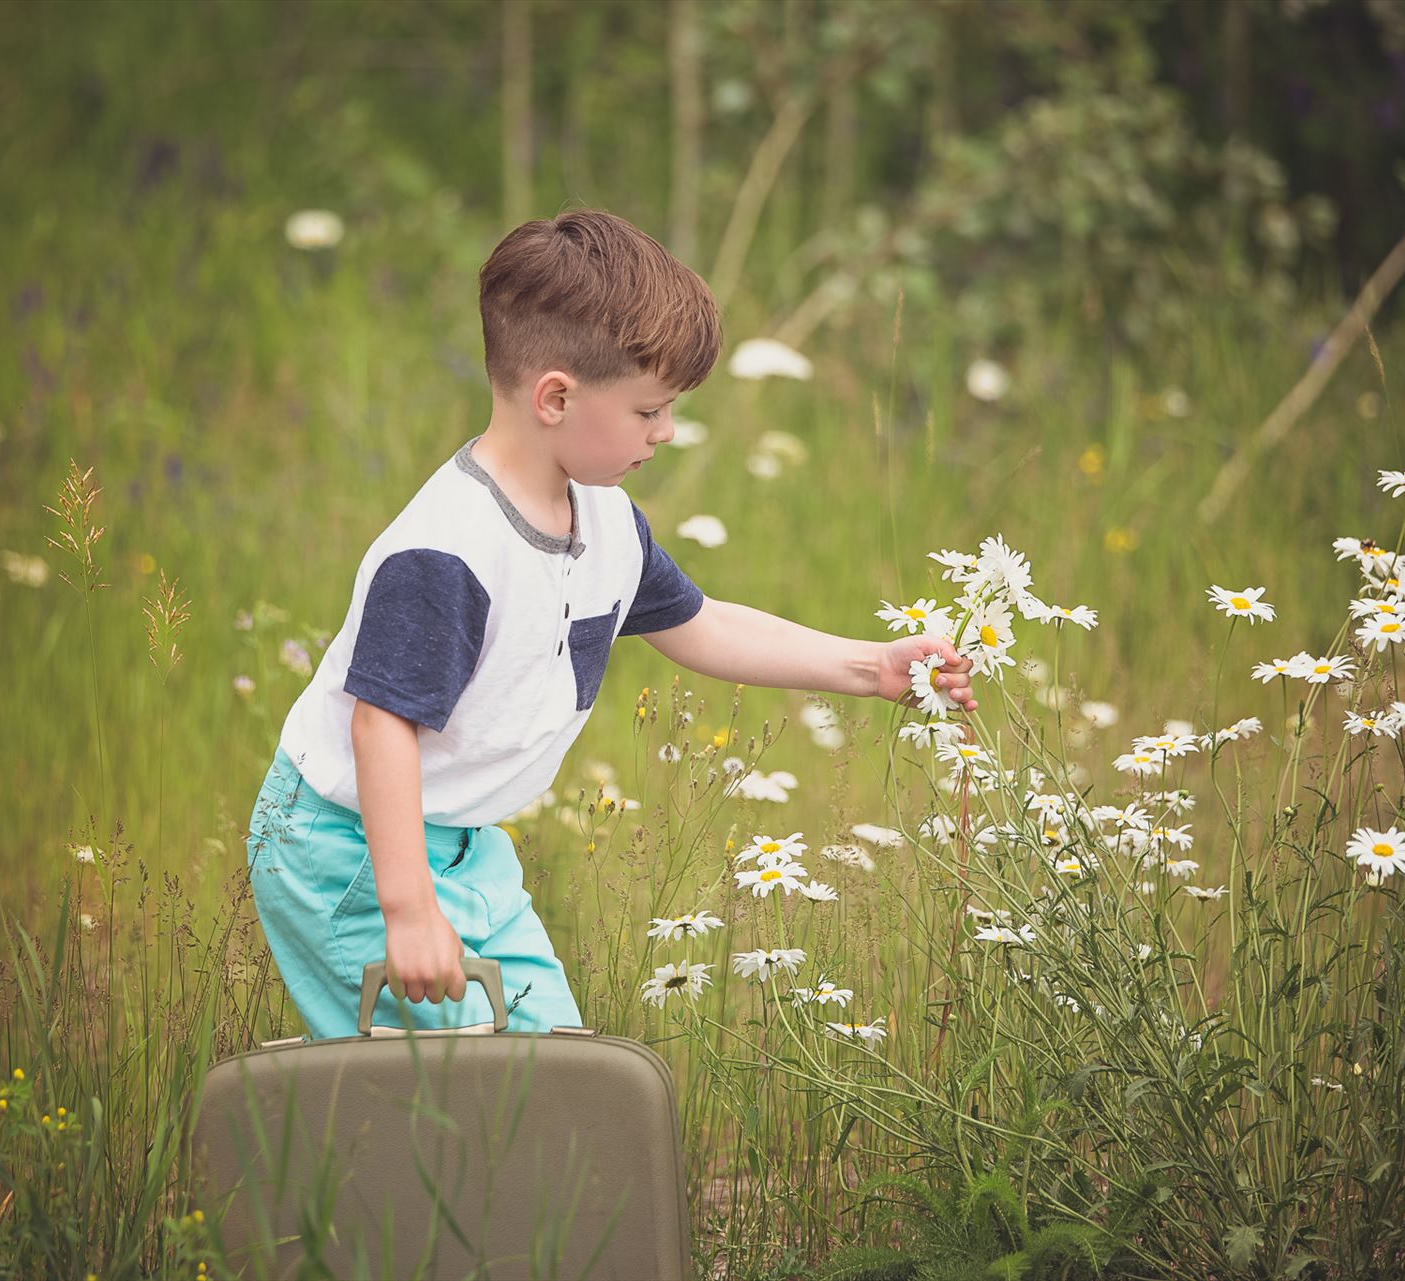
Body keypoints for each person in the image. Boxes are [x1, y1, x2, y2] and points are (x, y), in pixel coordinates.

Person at [245, 208, 977, 1039]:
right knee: (441, 1107)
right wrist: (408, 909)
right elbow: (382, 724)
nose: (665, 432)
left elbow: (701, 625)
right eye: (649, 410)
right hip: (350, 849)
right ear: (555, 396)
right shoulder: (447, 551)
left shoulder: (604, 520)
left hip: (465, 847)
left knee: (554, 1069)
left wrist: (871, 666)